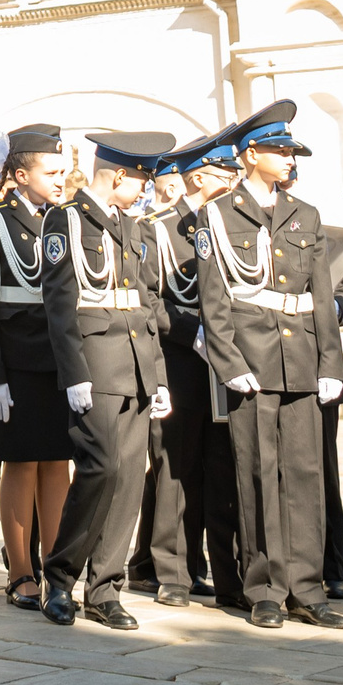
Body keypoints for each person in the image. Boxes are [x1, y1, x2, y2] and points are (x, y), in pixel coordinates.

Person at [192, 100, 343, 631]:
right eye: (279, 150)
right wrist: (228, 360)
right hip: (251, 361)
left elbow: (322, 296)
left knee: (305, 475)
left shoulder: (306, 214)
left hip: (301, 358)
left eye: (291, 151)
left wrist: (331, 365)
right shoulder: (216, 214)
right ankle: (263, 588)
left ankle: (308, 589)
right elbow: (214, 298)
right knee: (256, 473)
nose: (289, 159)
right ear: (250, 154)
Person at [38, 130, 173, 630]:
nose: (145, 192)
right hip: (93, 364)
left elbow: (146, 304)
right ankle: (60, 576)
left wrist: (158, 377)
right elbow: (58, 303)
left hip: (135, 365)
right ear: (117, 176)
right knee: (101, 469)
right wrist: (73, 373)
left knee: (131, 477)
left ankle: (105, 588)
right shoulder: (66, 220)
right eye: (141, 181)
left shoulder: (132, 226)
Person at [0, 122, 69, 613]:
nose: (61, 180)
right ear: (21, 175)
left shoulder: (64, 219)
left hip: (59, 359)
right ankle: (22, 570)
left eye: (64, 172)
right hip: (15, 362)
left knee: (58, 461)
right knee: (22, 462)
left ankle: (57, 567)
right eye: (51, 172)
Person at [138, 137, 240, 609]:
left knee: (220, 465)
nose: (234, 184)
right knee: (176, 466)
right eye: (225, 176)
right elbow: (149, 298)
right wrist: (191, 331)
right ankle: (174, 573)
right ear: (198, 177)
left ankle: (216, 569)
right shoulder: (159, 228)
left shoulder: (232, 224)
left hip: (230, 360)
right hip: (180, 359)